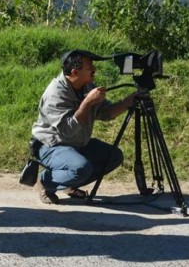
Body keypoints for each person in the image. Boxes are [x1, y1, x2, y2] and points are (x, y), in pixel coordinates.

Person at [31, 50, 136, 204]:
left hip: (77, 144)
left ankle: (69, 183)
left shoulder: (86, 86)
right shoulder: (55, 94)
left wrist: (129, 101)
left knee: (114, 156)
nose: (94, 70)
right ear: (75, 72)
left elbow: (106, 113)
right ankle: (46, 182)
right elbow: (68, 131)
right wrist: (87, 103)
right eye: (89, 67)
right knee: (81, 168)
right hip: (51, 146)